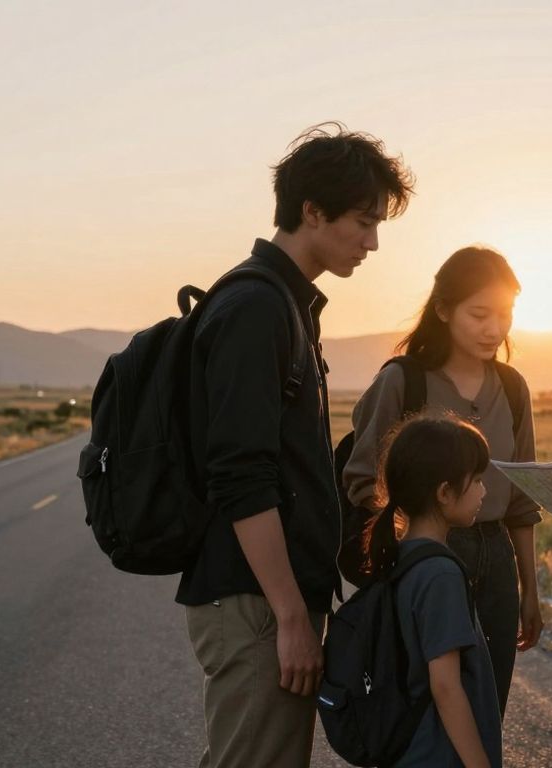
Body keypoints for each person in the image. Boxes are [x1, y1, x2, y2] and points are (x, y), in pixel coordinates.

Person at [176, 123, 414, 768]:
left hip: (268, 596)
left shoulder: (286, 303)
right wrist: (288, 616)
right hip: (257, 600)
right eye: (363, 222)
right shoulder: (257, 308)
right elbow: (241, 475)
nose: (372, 242)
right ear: (312, 210)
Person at [344, 246, 543, 715]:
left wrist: (529, 590)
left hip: (496, 559)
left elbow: (522, 501)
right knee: (421, 712)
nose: (494, 328)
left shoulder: (512, 388)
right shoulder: (402, 381)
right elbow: (363, 481)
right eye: (480, 314)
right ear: (443, 310)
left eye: (505, 314)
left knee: (487, 708)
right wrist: (414, 547)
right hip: (420, 559)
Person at [362, 414, 504, 768]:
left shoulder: (401, 557)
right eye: (476, 481)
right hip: (438, 755)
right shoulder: (440, 575)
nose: (484, 491)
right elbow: (445, 686)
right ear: (444, 493)